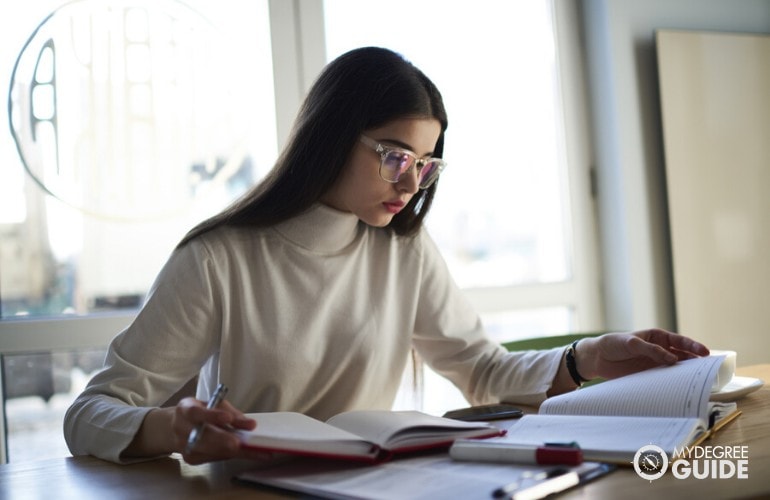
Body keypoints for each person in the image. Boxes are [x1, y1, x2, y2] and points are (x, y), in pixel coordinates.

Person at [63, 47, 709, 465]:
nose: (410, 184)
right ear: (331, 136)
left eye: (425, 165)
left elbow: (480, 370)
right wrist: (174, 428)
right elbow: (90, 412)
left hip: (373, 486)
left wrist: (583, 357)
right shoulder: (219, 260)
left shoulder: (403, 251)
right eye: (395, 156)